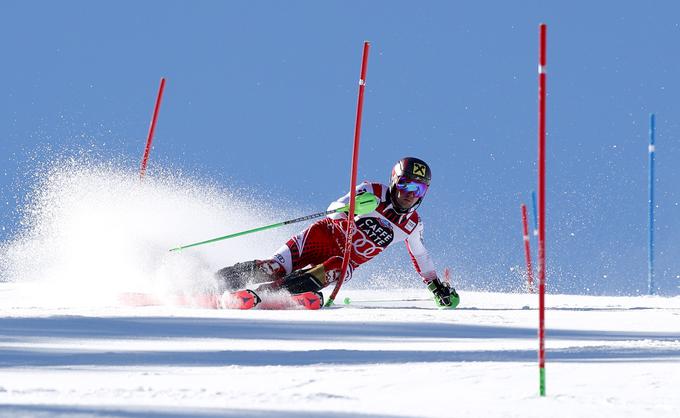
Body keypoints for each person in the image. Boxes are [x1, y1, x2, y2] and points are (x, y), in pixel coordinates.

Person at [215, 157, 459, 309]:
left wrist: (436, 286)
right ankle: (215, 281)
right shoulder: (372, 190)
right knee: (273, 267)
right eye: (405, 184)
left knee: (337, 266)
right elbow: (333, 209)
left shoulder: (412, 225)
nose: (410, 193)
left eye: (418, 188)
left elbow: (421, 256)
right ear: (395, 182)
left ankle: (264, 295)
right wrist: (350, 211)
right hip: (321, 237)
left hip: (345, 261)